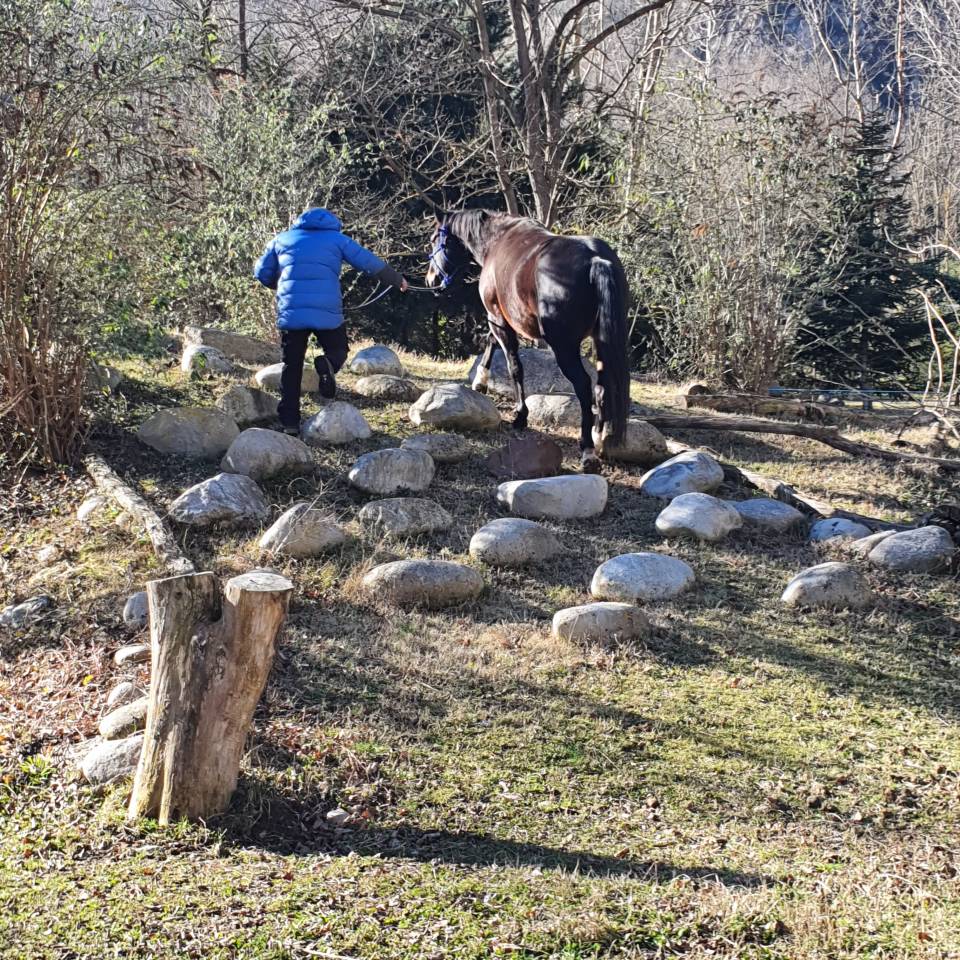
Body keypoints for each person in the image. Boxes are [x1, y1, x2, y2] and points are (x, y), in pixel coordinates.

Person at [253, 207, 408, 434]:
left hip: (291, 311)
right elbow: (368, 262)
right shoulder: (337, 239)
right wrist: (396, 279)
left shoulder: (282, 239)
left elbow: (261, 272)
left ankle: (290, 423)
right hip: (326, 310)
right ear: (330, 222)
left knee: (291, 365)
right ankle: (328, 364)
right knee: (339, 350)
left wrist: (278, 286)